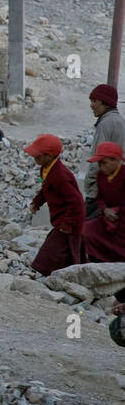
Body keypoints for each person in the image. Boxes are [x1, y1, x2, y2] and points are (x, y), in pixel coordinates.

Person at [25, 134, 85, 275]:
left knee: (52, 252)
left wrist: (67, 223)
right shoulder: (45, 170)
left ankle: (47, 273)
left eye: (38, 156)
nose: (35, 159)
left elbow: (77, 203)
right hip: (61, 220)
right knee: (65, 250)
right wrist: (37, 202)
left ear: (50, 156)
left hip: (70, 220)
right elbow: (46, 189)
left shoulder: (60, 176)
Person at [84, 84, 125, 219]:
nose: (91, 105)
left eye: (94, 101)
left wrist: (90, 187)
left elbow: (98, 159)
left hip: (100, 190)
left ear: (105, 103)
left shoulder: (106, 123)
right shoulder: (120, 121)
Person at [83, 142, 125, 263]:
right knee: (86, 230)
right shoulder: (101, 175)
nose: (101, 167)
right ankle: (98, 259)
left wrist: (117, 211)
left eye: (104, 163)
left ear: (116, 160)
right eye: (99, 163)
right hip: (108, 216)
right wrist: (105, 209)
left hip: (121, 218)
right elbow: (100, 198)